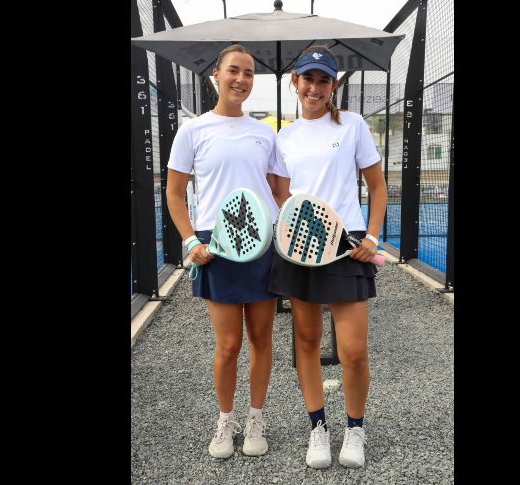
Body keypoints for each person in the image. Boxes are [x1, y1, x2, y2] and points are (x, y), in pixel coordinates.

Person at [267, 46, 388, 469]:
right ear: (295, 83)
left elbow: (378, 187)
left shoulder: (352, 125)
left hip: (347, 246)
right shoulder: (282, 137)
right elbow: (278, 193)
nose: (314, 88)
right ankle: (318, 428)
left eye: (323, 80)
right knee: (306, 341)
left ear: (333, 86)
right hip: (300, 246)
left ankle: (355, 428)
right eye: (307, 79)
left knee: (353, 350)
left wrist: (372, 236)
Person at [165, 44, 279, 459]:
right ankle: (225, 420)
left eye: (249, 73)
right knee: (228, 344)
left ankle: (255, 418)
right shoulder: (193, 130)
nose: (241, 80)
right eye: (234, 71)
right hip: (217, 244)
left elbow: (278, 192)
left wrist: (280, 231)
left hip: (262, 244)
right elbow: (175, 194)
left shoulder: (266, 132)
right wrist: (192, 241)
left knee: (261, 339)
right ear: (216, 74)